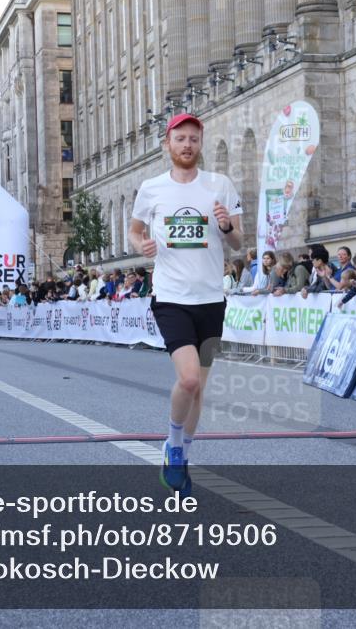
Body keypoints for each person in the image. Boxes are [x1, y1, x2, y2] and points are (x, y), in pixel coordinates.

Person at [128, 113, 242, 497]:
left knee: (199, 389)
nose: (187, 145)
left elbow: (239, 242)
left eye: (194, 138)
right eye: (180, 138)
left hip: (211, 298)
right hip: (172, 298)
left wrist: (227, 227)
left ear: (200, 144)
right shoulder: (152, 188)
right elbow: (135, 229)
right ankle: (173, 445)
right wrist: (139, 245)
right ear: (168, 144)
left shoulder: (219, 185)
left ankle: (183, 455)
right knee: (188, 378)